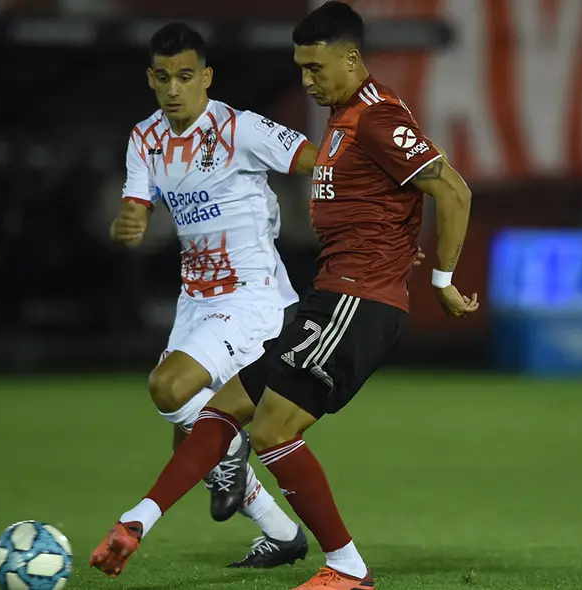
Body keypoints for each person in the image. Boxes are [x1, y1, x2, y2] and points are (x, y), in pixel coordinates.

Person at [90, 3, 478, 589]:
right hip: (327, 297)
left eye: (315, 68)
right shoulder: (345, 122)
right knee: (222, 412)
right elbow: (383, 195)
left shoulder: (374, 116)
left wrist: (442, 281)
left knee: (271, 430)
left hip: (354, 301)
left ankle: (347, 568)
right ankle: (135, 523)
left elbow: (451, 190)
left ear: (350, 59)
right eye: (300, 68)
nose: (305, 80)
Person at [109, 22, 319, 568]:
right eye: (162, 78)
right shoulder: (145, 138)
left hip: (255, 296)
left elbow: (319, 162)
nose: (173, 88)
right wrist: (129, 220)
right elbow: (136, 204)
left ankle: (230, 450)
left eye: (184, 76)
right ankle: (283, 535)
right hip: (196, 300)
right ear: (150, 80)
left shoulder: (240, 129)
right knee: (192, 440)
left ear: (205, 76)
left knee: (169, 387)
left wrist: (375, 219)